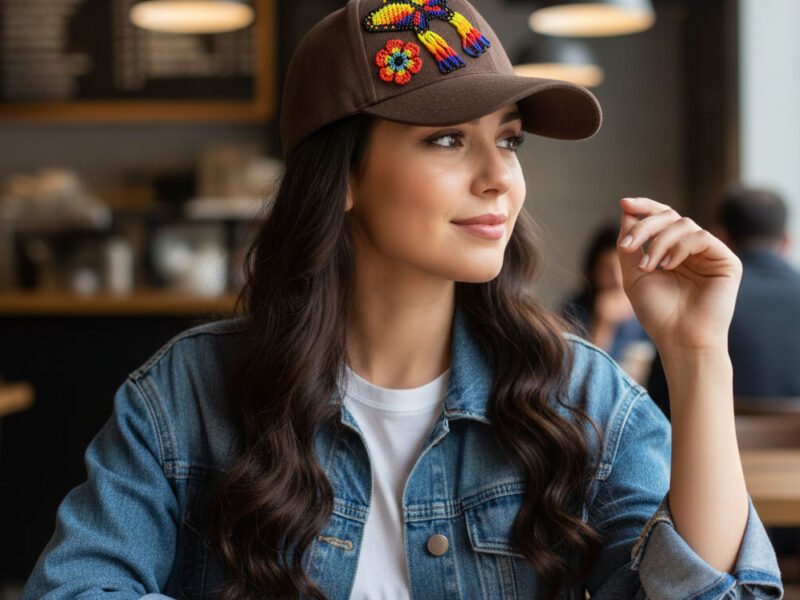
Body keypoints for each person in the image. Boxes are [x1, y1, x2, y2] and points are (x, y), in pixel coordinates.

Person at [23, 1, 782, 598]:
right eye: (447, 139)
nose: (499, 178)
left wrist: (697, 356)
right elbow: (77, 587)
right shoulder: (188, 393)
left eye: (509, 140)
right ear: (343, 178)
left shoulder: (576, 394)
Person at [647, 186, 800, 416]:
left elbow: (659, 401)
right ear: (787, 240)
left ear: (720, 237)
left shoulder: (698, 297)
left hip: (705, 437)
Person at [561, 224, 654, 383]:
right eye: (608, 270)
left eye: (622, 269)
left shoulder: (648, 313)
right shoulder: (574, 310)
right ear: (593, 272)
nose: (617, 280)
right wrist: (603, 324)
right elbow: (577, 379)